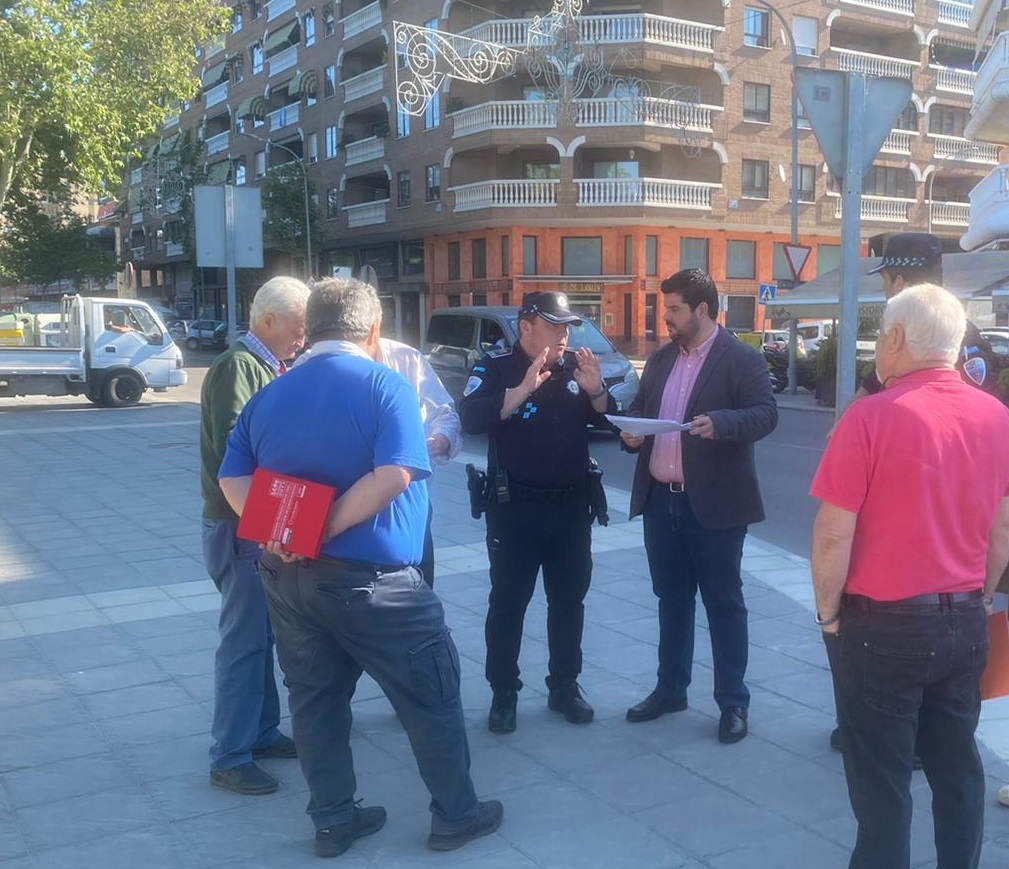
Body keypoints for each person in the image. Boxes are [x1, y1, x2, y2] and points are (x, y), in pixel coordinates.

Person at [218, 277, 502, 858]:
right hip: (375, 587)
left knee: (315, 701)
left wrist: (285, 531)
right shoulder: (386, 386)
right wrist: (320, 528)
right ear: (372, 330)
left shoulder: (271, 392)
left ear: (310, 327)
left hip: (289, 581)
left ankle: (333, 820)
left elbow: (231, 478)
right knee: (432, 697)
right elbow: (395, 474)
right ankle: (456, 814)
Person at [810, 283, 1009, 869]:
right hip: (964, 619)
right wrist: (980, 593)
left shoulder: (870, 416)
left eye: (880, 334)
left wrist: (828, 616)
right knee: (957, 770)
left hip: (882, 626)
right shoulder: (997, 415)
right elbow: (1002, 530)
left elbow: (831, 535)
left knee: (882, 785)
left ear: (896, 337)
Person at [828, 231, 1000, 754]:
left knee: (905, 715)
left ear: (900, 279)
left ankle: (907, 738)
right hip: (958, 577)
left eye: (884, 278)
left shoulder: (920, 346)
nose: (881, 288)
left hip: (917, 573)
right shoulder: (950, 340)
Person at [621, 268, 777, 744]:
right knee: (671, 601)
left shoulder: (741, 360)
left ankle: (733, 702)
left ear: (702, 310)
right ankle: (671, 689)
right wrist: (631, 434)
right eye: (663, 308)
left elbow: (766, 414)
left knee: (724, 605)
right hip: (660, 503)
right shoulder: (664, 358)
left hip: (714, 507)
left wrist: (724, 422)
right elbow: (646, 411)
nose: (663, 317)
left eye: (673, 309)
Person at [458, 291, 614, 733]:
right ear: (526, 326)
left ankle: (565, 686)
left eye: (567, 327)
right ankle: (504, 692)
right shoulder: (495, 367)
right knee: (508, 604)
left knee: (569, 602)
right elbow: (470, 417)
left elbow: (612, 424)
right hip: (515, 510)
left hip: (570, 508)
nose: (564, 335)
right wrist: (523, 388)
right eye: (554, 326)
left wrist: (597, 391)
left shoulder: (574, 371)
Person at [200, 275, 310, 795]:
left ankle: (261, 732)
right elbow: (238, 453)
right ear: (268, 320)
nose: (303, 336)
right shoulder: (238, 368)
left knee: (263, 634)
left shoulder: (269, 367)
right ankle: (230, 752)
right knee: (244, 640)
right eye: (298, 325)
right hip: (240, 522)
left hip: (258, 521)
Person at [297, 329, 461, 587]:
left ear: (373, 328)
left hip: (407, 511)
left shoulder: (406, 358)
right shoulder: (309, 364)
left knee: (416, 597)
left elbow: (445, 413)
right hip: (338, 508)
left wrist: (441, 439)